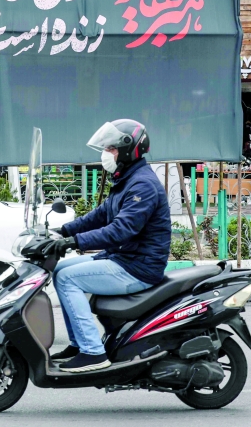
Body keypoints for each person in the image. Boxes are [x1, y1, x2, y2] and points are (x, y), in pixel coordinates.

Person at [43, 119, 171, 373]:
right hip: (123, 258)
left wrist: (74, 241)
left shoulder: (142, 185)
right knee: (60, 270)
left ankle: (93, 353)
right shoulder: (126, 178)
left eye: (111, 149)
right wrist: (63, 230)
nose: (106, 154)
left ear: (128, 149)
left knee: (69, 278)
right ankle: (79, 344)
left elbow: (120, 230)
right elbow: (101, 215)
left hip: (138, 267)